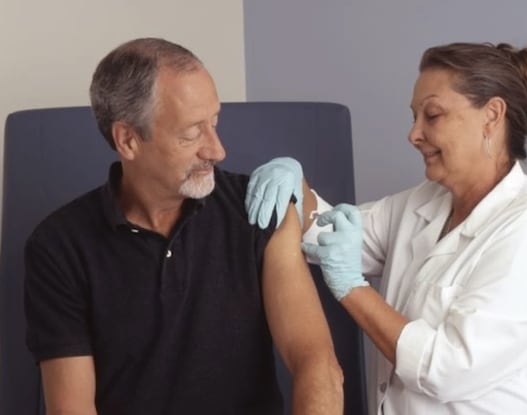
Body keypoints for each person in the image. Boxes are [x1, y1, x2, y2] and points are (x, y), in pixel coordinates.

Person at [245, 42, 527, 414]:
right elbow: (327, 233)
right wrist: (297, 186)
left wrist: (352, 288)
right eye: (414, 117)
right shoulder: (422, 204)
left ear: (492, 115)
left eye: (432, 115)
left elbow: (447, 370)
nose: (413, 134)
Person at [24, 37, 343, 415]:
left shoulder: (259, 211)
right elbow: (72, 409)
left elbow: (317, 365)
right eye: (192, 133)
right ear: (127, 140)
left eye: (215, 122)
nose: (217, 149)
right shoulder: (59, 247)